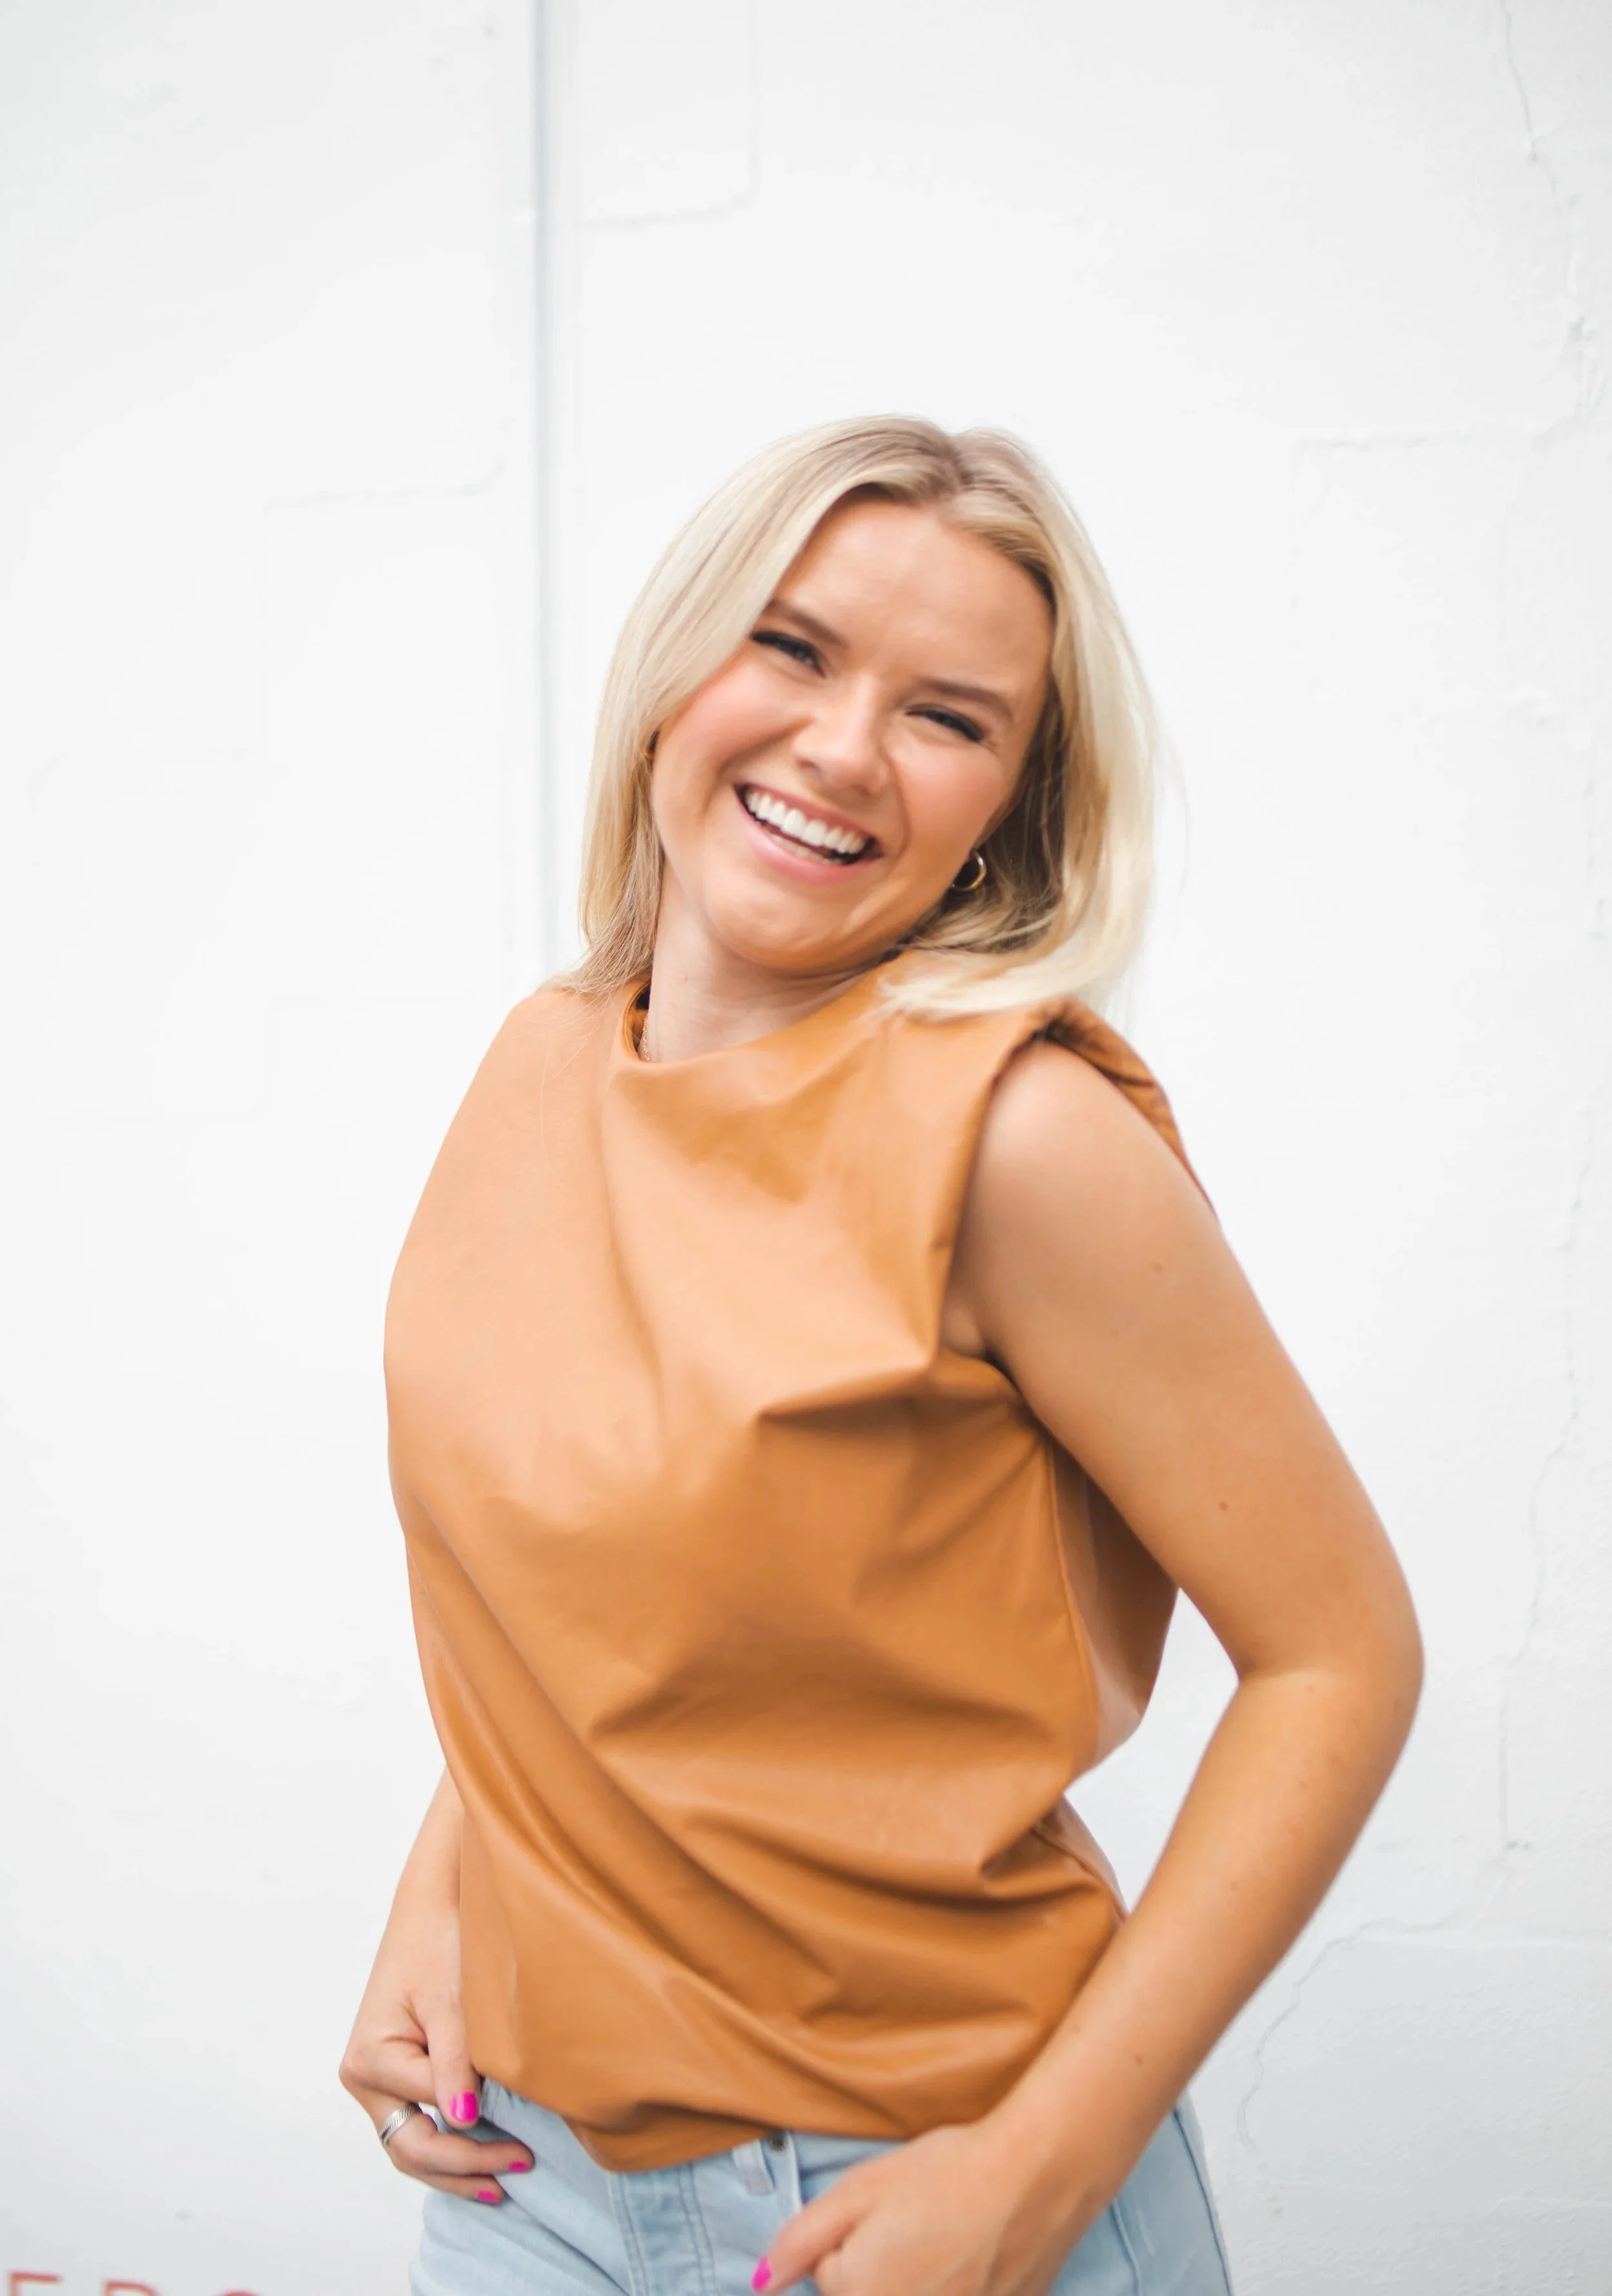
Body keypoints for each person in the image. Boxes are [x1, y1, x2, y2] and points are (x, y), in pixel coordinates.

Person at [339, 417, 1423, 2296]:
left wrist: (1033, 2179)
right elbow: (596, 1591)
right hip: (526, 2173)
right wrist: (449, 1893)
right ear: (677, 667)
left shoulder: (1019, 1141)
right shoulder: (541, 1060)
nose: (844, 747)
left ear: (1011, 802)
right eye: (792, 646)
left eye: (948, 716)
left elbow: (1339, 1657)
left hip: (903, 2190)